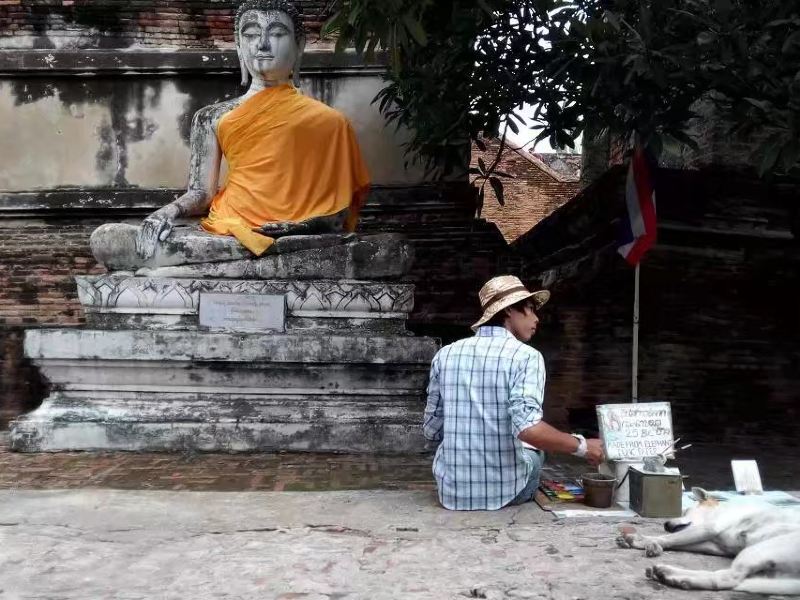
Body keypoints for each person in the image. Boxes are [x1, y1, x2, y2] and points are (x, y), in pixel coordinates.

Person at [423, 275, 605, 510]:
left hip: (451, 491)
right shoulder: (526, 356)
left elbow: (431, 430)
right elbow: (528, 430)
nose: (536, 318)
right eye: (530, 308)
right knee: (536, 450)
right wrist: (582, 446)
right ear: (509, 310)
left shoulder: (445, 354)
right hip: (506, 492)